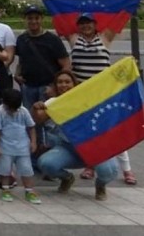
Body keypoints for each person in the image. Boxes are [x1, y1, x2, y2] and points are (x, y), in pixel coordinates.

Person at [65, 13, 137, 185]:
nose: (86, 26)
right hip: (83, 94)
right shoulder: (74, 39)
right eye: (82, 23)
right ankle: (90, 165)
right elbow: (60, 17)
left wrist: (130, 4)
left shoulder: (105, 37)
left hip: (103, 94)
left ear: (95, 24)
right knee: (89, 132)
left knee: (112, 130)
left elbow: (120, 19)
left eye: (89, 23)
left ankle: (127, 169)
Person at [33, 70, 120, 200]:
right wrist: (35, 108)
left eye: (67, 82)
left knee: (109, 170)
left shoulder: (87, 99)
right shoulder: (53, 102)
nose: (63, 85)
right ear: (55, 85)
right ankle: (67, 178)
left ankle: (101, 185)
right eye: (60, 82)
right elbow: (38, 119)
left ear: (74, 84)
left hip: (94, 148)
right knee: (46, 163)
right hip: (69, 150)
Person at [14, 5, 70, 113]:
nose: (33, 21)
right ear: (25, 20)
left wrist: (55, 87)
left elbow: (66, 65)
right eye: (30, 18)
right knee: (30, 118)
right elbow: (21, 59)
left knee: (47, 118)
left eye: (36, 18)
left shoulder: (53, 40)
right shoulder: (21, 39)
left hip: (47, 87)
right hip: (28, 87)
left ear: (41, 19)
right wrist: (17, 74)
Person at [0, 88, 40, 204]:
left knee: (26, 169)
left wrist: (33, 142)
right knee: (5, 169)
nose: (13, 110)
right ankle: (5, 189)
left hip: (23, 146)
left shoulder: (23, 111)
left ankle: (29, 191)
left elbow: (31, 127)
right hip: (5, 146)